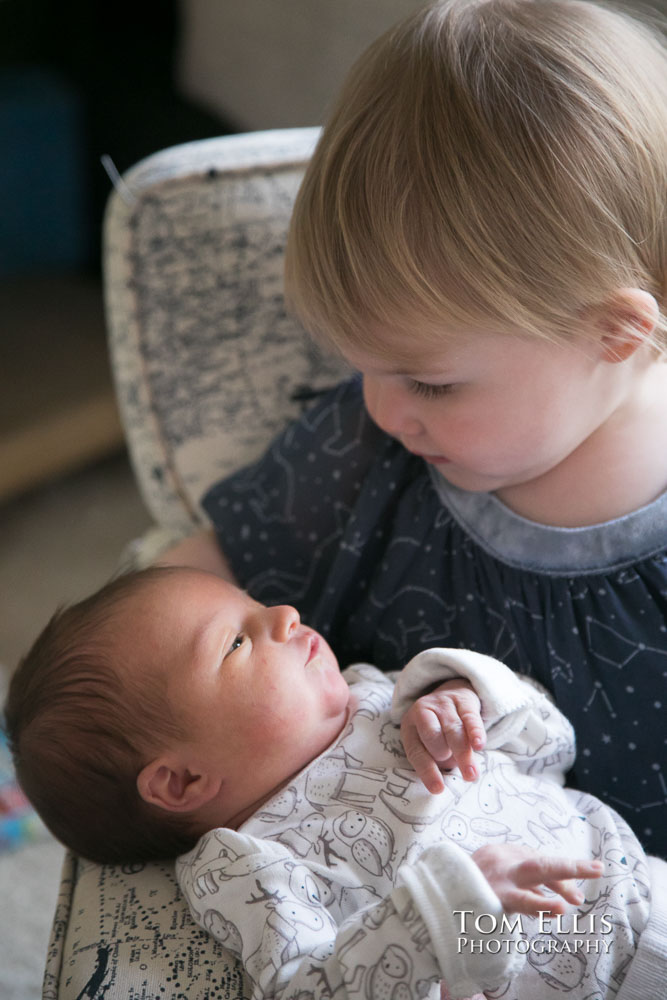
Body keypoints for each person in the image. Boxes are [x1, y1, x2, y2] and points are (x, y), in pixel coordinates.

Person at [160, 0, 667, 857]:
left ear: (614, 335)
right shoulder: (368, 454)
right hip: (412, 895)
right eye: (363, 365)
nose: (384, 410)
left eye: (430, 381)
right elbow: (207, 580)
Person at [3, 566, 659, 999]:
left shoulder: (384, 695)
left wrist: (471, 699)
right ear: (181, 781)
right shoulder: (243, 865)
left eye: (255, 605)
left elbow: (550, 747)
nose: (283, 615)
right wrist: (444, 911)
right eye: (235, 644)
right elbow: (308, 989)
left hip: (631, 884)